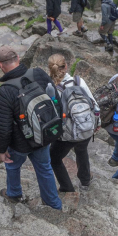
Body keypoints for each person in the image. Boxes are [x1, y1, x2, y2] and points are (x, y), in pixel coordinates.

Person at [0, 46, 62, 209]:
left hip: (20, 143)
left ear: (0, 65)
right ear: (18, 57)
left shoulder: (5, 90)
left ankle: (14, 194)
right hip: (44, 135)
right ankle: (54, 205)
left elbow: (3, 125)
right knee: (45, 168)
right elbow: (55, 99)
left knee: (12, 165)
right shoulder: (38, 73)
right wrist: (54, 127)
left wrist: (2, 150)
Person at [47, 54, 99, 193]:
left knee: (54, 158)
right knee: (81, 150)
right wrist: (96, 123)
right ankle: (85, 181)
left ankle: (67, 187)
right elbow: (94, 104)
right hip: (86, 128)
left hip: (66, 135)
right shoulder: (78, 81)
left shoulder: (50, 88)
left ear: (50, 68)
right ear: (66, 66)